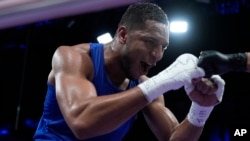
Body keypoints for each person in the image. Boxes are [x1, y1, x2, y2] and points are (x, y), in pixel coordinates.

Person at [33, 2, 225, 141]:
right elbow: (82, 123)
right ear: (123, 35)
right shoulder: (74, 57)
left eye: (163, 47)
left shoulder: (144, 85)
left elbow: (173, 138)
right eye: (150, 42)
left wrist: (201, 109)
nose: (158, 55)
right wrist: (162, 82)